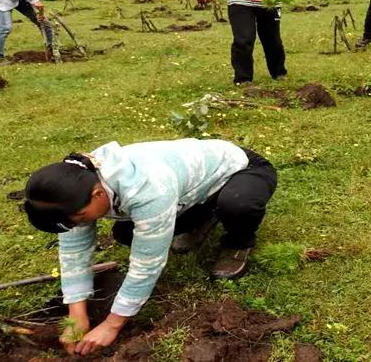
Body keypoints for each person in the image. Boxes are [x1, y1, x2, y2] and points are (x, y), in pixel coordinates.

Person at [23, 138, 277, 356]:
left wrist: (113, 324)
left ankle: (238, 241)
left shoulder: (147, 188)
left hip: (241, 169)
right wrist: (76, 314)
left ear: (98, 195)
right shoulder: (71, 190)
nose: (79, 224)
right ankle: (206, 215)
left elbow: (148, 262)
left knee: (237, 204)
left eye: (80, 218)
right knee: (126, 233)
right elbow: (74, 251)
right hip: (191, 189)